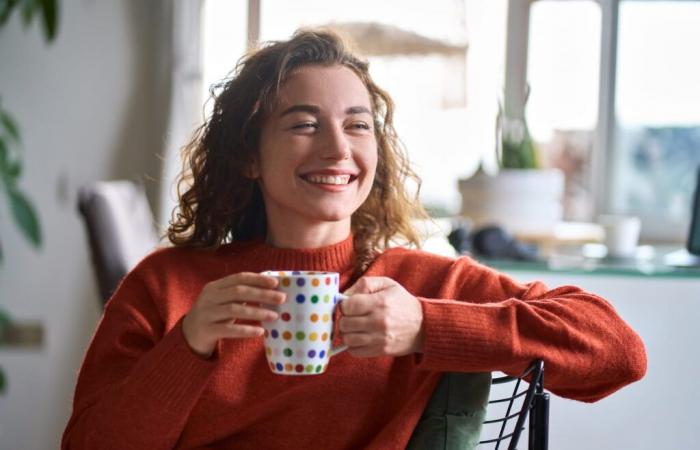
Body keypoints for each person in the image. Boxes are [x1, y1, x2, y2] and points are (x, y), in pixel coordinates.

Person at [61, 29, 646, 450]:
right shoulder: (169, 286)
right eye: (304, 124)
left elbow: (619, 352)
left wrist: (425, 327)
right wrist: (187, 346)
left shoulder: (422, 285)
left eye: (357, 125)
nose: (338, 149)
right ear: (247, 156)